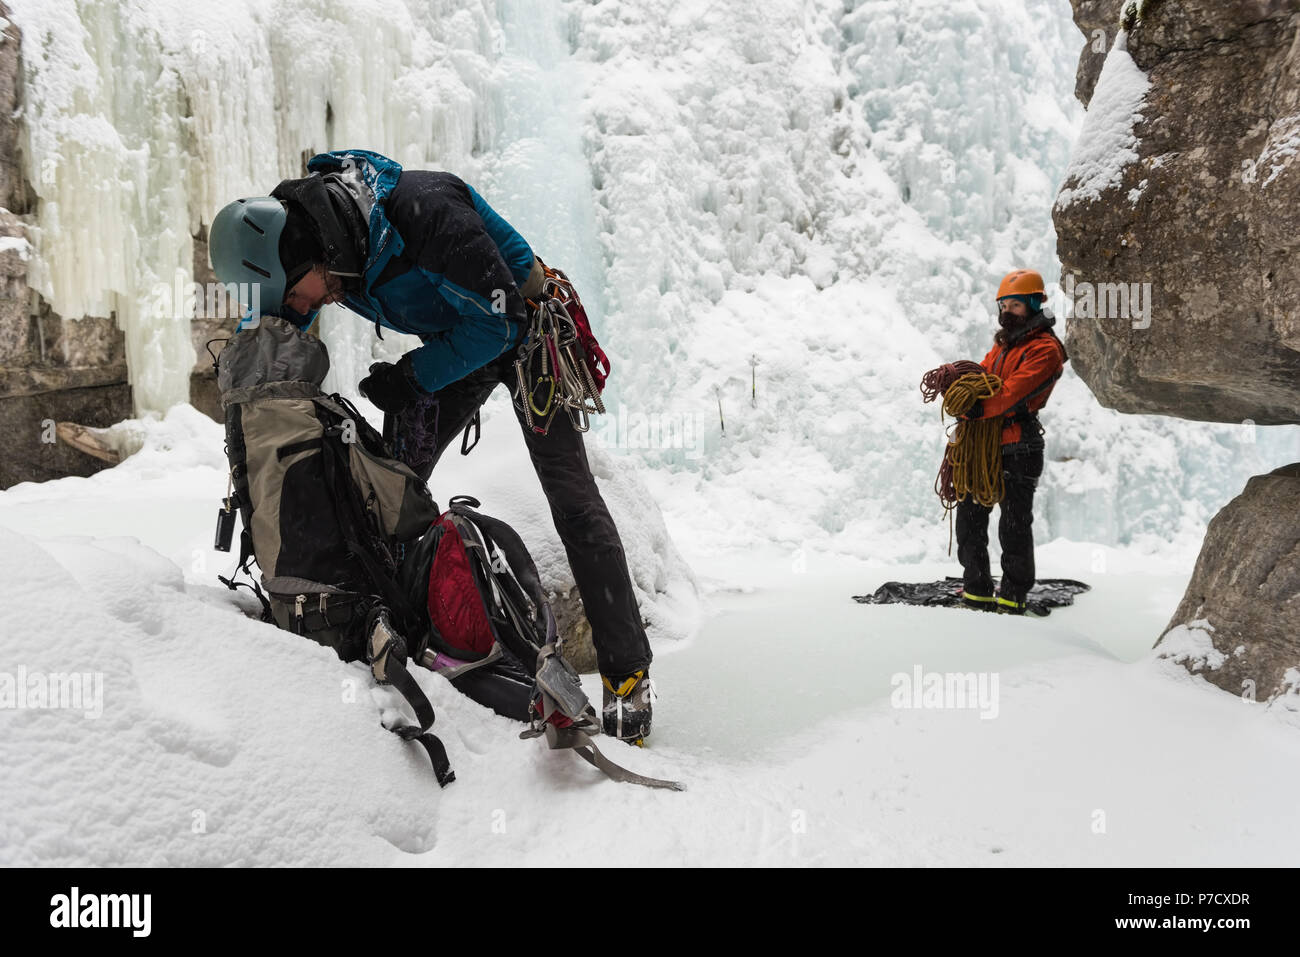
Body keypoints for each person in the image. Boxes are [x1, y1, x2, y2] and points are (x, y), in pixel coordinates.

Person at [208, 149, 655, 744]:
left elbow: (501, 323)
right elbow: (280, 331)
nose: (305, 308)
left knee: (572, 500)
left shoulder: (425, 214)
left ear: (316, 257)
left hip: (523, 329)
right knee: (393, 489)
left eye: (298, 295)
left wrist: (413, 377)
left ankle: (627, 674)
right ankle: (416, 628)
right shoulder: (306, 239)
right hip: (456, 337)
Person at [956, 269, 1067, 615]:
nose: (1007, 310)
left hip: (1020, 447)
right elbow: (984, 377)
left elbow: (1007, 394)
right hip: (988, 447)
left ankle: (1013, 594)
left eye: (1015, 304)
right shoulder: (1003, 344)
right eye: (1003, 303)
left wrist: (974, 407)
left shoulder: (1045, 350)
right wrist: (960, 386)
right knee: (969, 518)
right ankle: (977, 591)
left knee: (1014, 526)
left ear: (1035, 304)